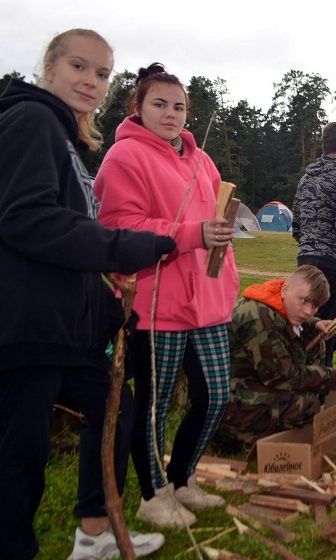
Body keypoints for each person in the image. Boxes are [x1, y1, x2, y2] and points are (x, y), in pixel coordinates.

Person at [0, 29, 173, 559]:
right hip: (25, 327)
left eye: (101, 74)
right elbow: (25, 219)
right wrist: (121, 248)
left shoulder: (65, 136)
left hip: (68, 328)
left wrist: (105, 284)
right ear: (50, 66)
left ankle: (94, 533)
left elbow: (67, 234)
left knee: (115, 410)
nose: (91, 81)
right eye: (80, 67)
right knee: (17, 462)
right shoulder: (30, 121)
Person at [94, 63, 239, 528]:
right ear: (136, 108)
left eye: (179, 106)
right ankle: (153, 494)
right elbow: (120, 230)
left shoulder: (202, 160)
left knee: (214, 395)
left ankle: (182, 479)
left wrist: (226, 271)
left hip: (209, 301)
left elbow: (219, 221)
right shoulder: (124, 157)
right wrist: (193, 233)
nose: (171, 114)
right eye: (159, 104)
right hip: (156, 304)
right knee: (154, 408)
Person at [214, 265, 336, 449]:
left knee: (315, 343)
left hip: (246, 381)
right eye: (304, 301)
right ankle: (233, 437)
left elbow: (289, 316)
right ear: (285, 289)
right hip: (223, 401)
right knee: (306, 405)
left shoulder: (273, 300)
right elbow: (283, 377)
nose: (308, 311)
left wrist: (315, 324)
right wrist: (330, 377)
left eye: (315, 306)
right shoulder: (260, 319)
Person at [292, 122, 336, 367]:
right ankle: (322, 378)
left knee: (305, 321)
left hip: (306, 262)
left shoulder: (305, 180)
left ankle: (301, 372)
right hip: (332, 265)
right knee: (328, 329)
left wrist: (309, 248)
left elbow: (297, 225)